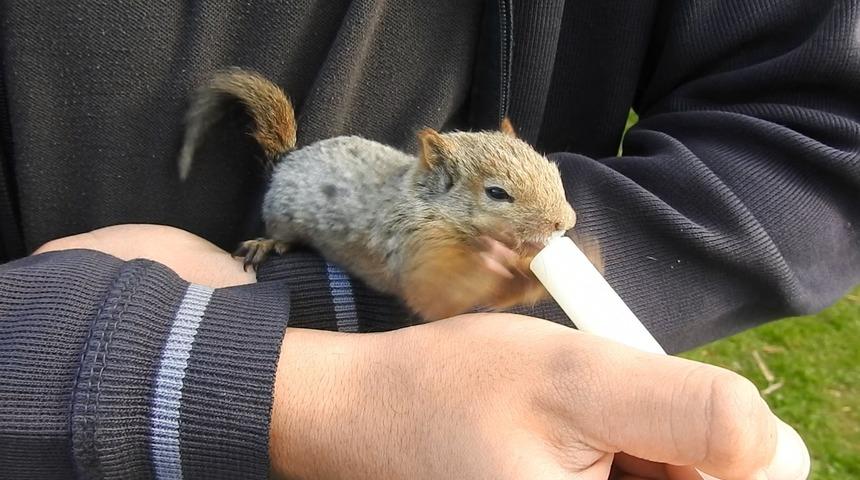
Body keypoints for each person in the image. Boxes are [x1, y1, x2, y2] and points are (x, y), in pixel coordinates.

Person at [0, 1, 856, 478]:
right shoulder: (414, 212)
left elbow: (816, 125)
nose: (559, 224)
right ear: (440, 174)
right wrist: (268, 366)